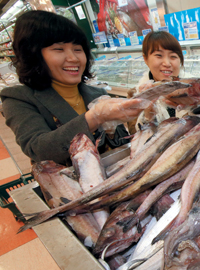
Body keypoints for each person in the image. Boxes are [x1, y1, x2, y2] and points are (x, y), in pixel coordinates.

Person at [0, 11, 145, 165]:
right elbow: (39, 150)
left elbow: (121, 144)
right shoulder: (18, 98)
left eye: (77, 49)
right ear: (33, 54)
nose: (73, 58)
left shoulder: (98, 93)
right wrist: (95, 117)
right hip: (70, 185)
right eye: (59, 49)